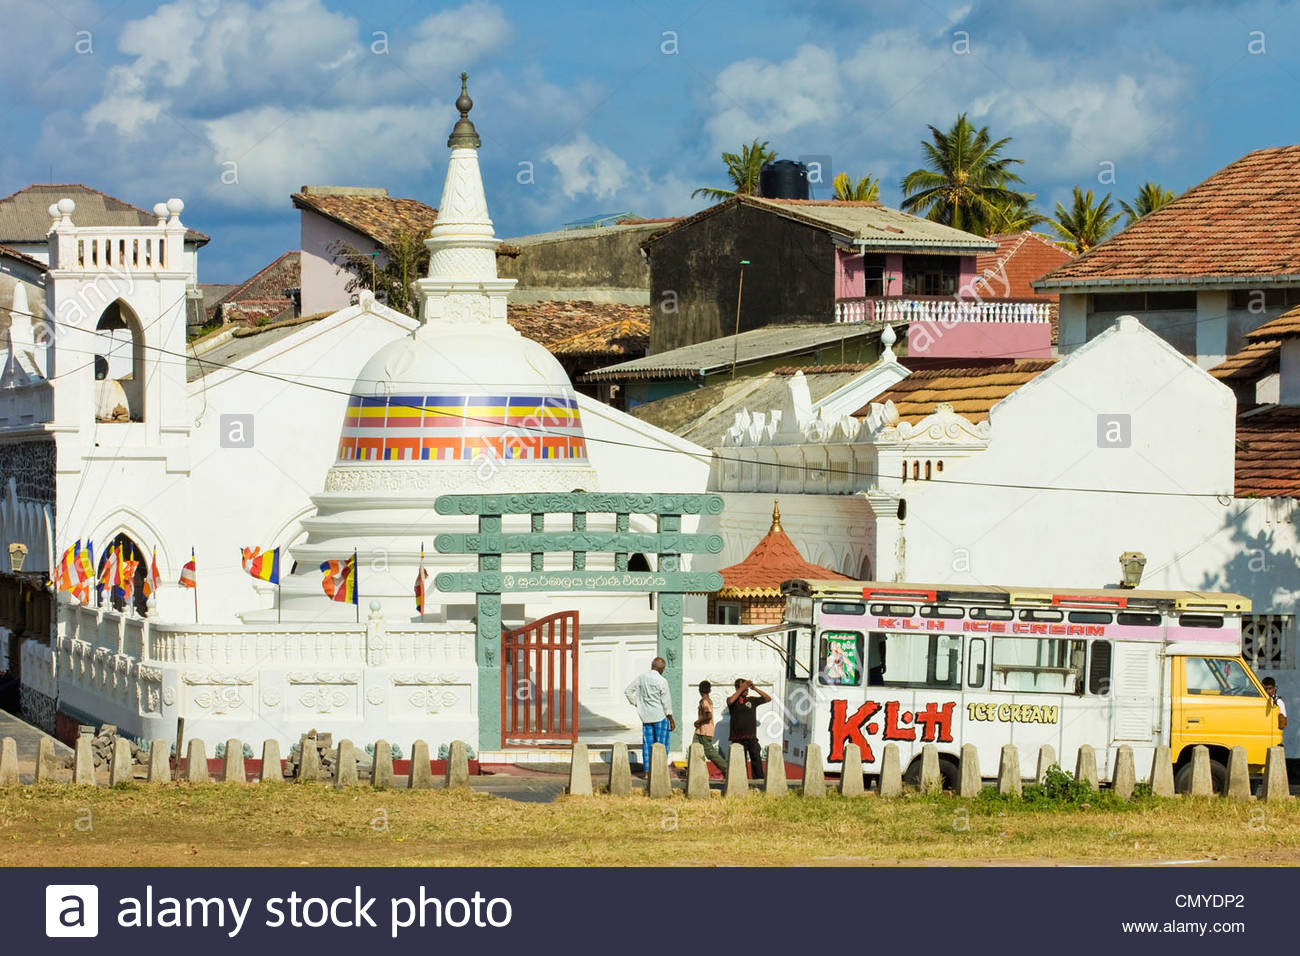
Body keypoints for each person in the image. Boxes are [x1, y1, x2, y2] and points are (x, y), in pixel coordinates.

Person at [625, 657, 675, 772]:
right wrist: (671, 719)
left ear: (652, 666)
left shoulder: (641, 678)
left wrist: (638, 703)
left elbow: (628, 691)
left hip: (646, 716)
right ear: (662, 669)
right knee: (662, 745)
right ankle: (660, 771)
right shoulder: (662, 680)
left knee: (647, 745)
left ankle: (647, 772)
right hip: (660, 716)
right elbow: (666, 702)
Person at [726, 678, 770, 779]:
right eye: (744, 688)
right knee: (740, 762)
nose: (746, 690)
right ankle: (741, 781)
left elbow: (767, 698)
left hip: (751, 737)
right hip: (738, 738)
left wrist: (754, 688)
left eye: (747, 688)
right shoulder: (732, 701)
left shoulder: (752, 700)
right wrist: (742, 688)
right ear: (738, 688)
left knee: (756, 760)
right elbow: (730, 701)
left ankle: (758, 781)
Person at [693, 681, 728, 775]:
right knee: (695, 751)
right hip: (700, 731)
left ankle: (726, 769)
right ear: (710, 690)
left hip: (704, 731)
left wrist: (698, 721)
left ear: (699, 690)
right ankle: (696, 772)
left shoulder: (704, 701)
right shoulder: (707, 700)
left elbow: (708, 716)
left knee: (710, 753)